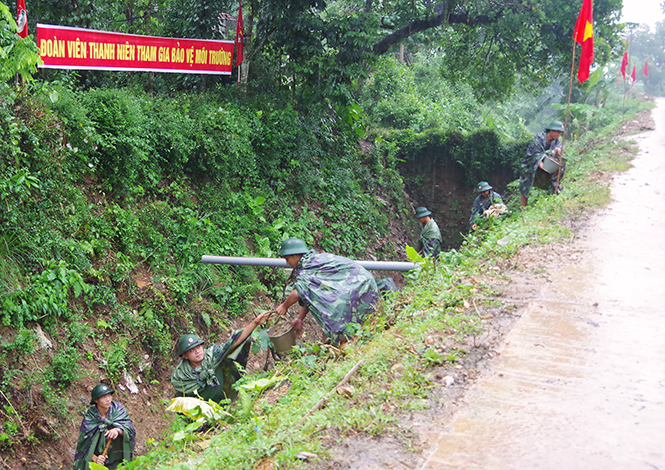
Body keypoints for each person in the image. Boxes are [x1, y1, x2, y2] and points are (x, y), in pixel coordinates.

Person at [275, 238, 379, 346]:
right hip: (364, 282)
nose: (287, 263)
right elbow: (310, 295)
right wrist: (299, 318)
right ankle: (329, 348)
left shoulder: (307, 267)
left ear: (296, 255)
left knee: (332, 313)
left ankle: (334, 348)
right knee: (330, 311)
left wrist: (284, 306)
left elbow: (297, 293)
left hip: (357, 285)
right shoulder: (313, 260)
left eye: (287, 259)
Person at [171, 312, 269, 404]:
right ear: (184, 356)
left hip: (223, 401)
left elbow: (233, 342)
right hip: (199, 410)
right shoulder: (181, 374)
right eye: (191, 350)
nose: (197, 351)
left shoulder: (212, 356)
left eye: (198, 347)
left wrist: (255, 322)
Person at [73, 384, 135, 470]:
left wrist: (117, 430)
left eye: (109, 395)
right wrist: (95, 458)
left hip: (116, 460)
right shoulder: (91, 417)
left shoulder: (118, 409)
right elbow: (84, 445)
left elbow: (130, 429)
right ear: (96, 400)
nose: (108, 399)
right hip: (97, 461)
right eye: (103, 397)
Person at [520, 121, 567, 209]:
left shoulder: (555, 140)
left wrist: (558, 150)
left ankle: (554, 193)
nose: (559, 134)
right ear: (551, 131)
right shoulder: (537, 140)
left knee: (561, 166)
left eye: (560, 132)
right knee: (525, 183)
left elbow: (558, 148)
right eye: (557, 132)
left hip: (548, 162)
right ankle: (523, 207)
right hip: (531, 164)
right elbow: (535, 157)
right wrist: (545, 168)